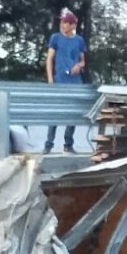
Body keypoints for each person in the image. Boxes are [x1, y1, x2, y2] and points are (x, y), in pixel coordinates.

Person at [45, 9, 88, 153]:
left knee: (73, 115)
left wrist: (78, 66)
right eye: (62, 22)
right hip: (60, 80)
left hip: (75, 82)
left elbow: (83, 61)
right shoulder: (55, 38)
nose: (63, 25)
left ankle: (68, 144)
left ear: (73, 25)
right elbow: (49, 59)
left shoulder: (79, 40)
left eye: (66, 23)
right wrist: (50, 79)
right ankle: (48, 145)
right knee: (55, 113)